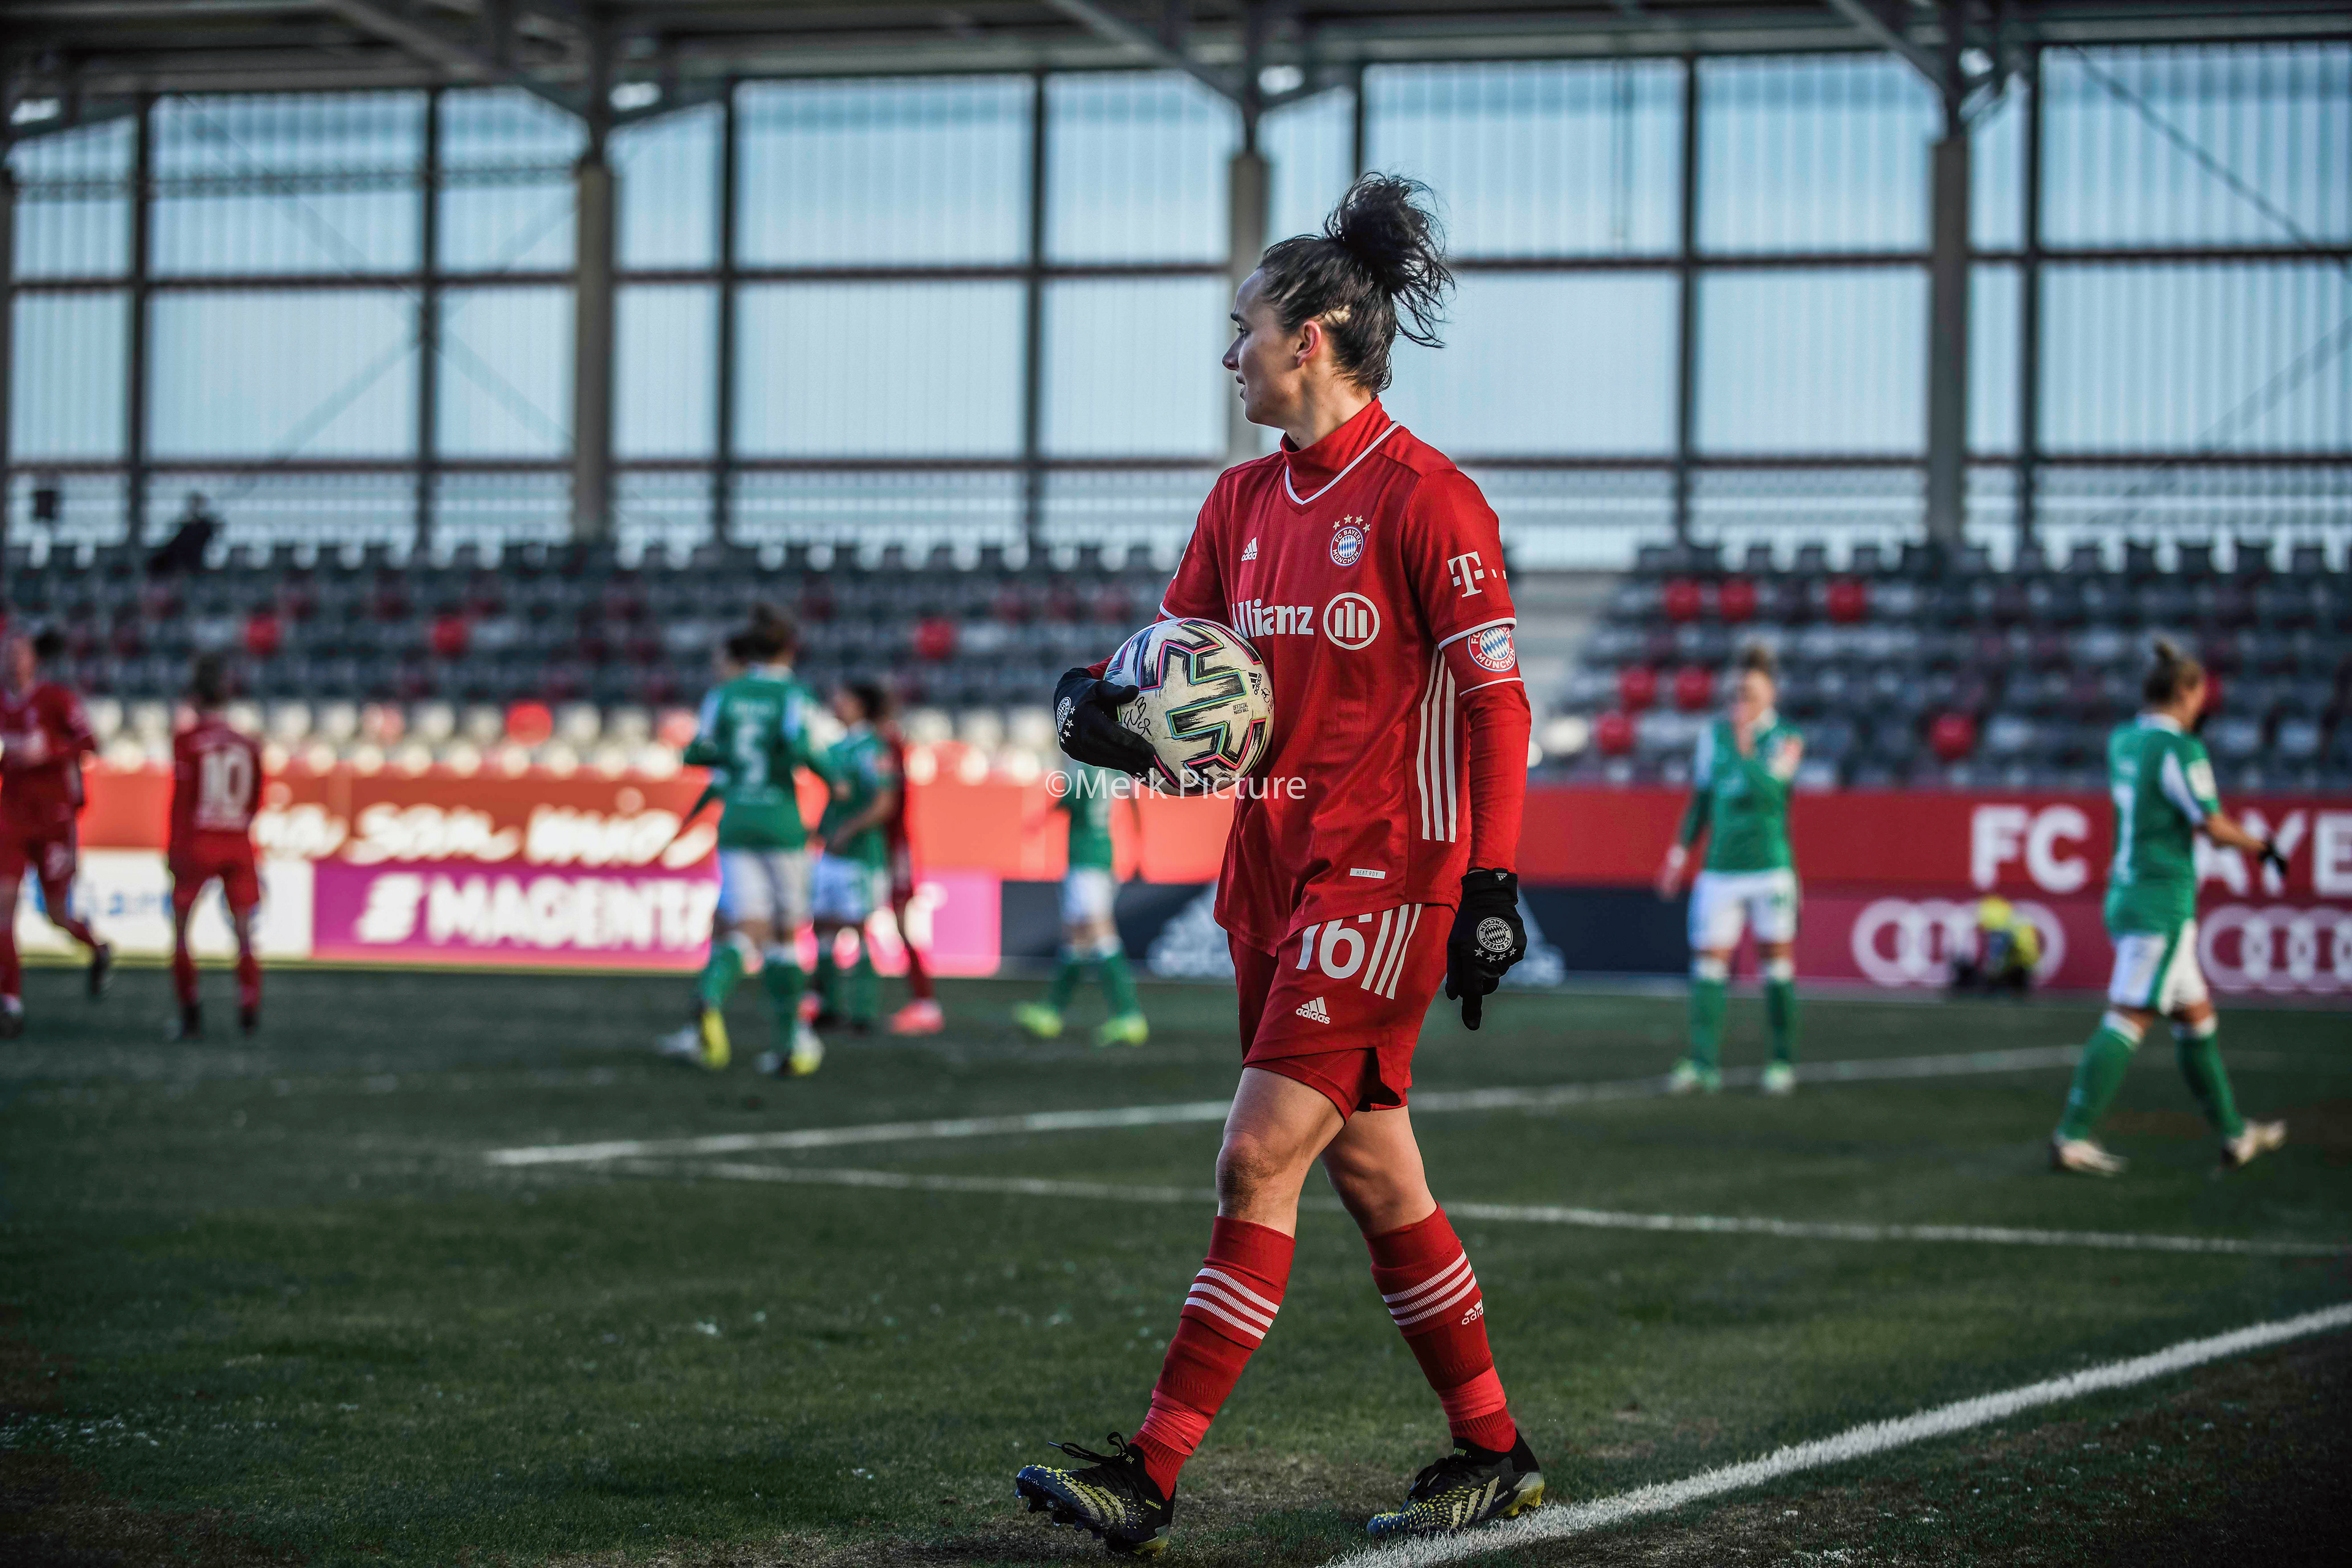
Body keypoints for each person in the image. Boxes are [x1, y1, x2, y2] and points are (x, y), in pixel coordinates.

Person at [1013, 174, 1539, 1553]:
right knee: (1377, 1177)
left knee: (1256, 1160)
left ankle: (1149, 1470)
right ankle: (1495, 1448)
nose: (1229, 355)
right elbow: (1168, 670)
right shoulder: (1241, 499)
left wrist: (1491, 884)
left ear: (1308, 338)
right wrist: (1095, 709)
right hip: (1270, 868)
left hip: (1389, 874)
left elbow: (1498, 706)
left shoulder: (1431, 499)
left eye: (1242, 329)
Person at [2049, 639, 2288, 1177]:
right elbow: (2213, 826)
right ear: (2185, 692)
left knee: (2196, 1018)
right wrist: (2265, 847)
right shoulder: (2180, 749)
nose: (2204, 705)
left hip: (2126, 892)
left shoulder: (2123, 740)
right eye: (2200, 694)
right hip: (2161, 902)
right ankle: (2072, 1137)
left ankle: (2234, 1134)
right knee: (2128, 1017)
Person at [660, 611, 830, 1077]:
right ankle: (790, 1041)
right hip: (781, 822)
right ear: (789, 650)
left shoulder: (725, 696)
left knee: (742, 925)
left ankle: (709, 1000)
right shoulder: (793, 694)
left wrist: (729, 758)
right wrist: (835, 782)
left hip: (736, 822)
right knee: (784, 934)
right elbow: (802, 748)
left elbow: (696, 752)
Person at [1653, 645, 1804, 1096]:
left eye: (1749, 693)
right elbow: (1701, 801)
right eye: (1735, 692)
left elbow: (1771, 794)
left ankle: (1781, 1061)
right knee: (1708, 966)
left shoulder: (1786, 737)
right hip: (1719, 868)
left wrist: (1745, 747)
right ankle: (1703, 1064)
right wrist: (1679, 855)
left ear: (1769, 694)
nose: (1739, 701)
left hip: (1769, 867)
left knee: (1776, 966)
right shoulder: (1712, 736)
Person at [0, 629, 111, 1035]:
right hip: (11, 817)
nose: (13, 660)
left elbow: (91, 741)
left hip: (54, 820)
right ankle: (10, 1002)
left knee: (57, 913)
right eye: (7, 653)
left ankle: (98, 949)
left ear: (34, 660)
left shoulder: (56, 699)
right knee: (3, 907)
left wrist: (50, 750)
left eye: (20, 653)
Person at [1014, 759, 1148, 1046]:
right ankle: (1052, 1011)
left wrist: (1040, 819)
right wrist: (1139, 850)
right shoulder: (1115, 770)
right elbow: (1132, 801)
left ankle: (1129, 1014)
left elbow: (1070, 801)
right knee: (1076, 940)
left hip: (1085, 861)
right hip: (1102, 857)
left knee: (1102, 936)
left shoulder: (1084, 769)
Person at [167, 653, 265, 1038]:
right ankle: (249, 1005)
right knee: (243, 931)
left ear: (195, 699)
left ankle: (190, 1011)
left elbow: (182, 800)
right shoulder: (249, 743)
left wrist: (175, 848)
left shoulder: (188, 742)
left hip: (199, 840)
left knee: (181, 929)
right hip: (237, 840)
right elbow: (255, 798)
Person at [809, 681, 899, 1038]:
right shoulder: (837, 747)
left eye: (843, 698)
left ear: (860, 705)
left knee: (858, 929)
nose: (836, 702)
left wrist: (848, 830)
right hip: (831, 854)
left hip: (861, 856)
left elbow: (884, 803)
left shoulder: (872, 748)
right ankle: (828, 1006)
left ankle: (864, 1011)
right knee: (822, 927)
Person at [877, 707, 944, 1036]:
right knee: (834, 921)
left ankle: (925, 1003)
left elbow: (886, 803)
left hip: (888, 846)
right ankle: (822, 998)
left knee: (904, 924)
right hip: (876, 844)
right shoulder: (878, 743)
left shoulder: (886, 745)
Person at [1948, 896, 2040, 996]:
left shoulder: (2005, 931)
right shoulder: (2018, 924)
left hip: (2013, 973)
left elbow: (1997, 964)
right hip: (2014, 970)